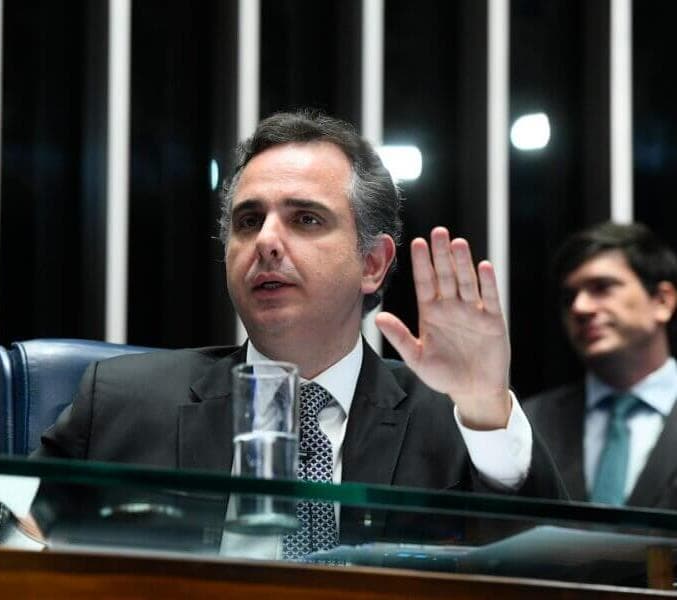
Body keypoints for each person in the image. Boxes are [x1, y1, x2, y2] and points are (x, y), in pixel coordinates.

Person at [34, 111, 563, 545]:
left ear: (372, 264)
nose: (266, 241)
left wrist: (485, 407)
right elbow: (8, 531)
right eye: (248, 221)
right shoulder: (122, 402)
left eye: (306, 219)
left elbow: (550, 566)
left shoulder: (455, 419)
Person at [524, 221, 677, 508]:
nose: (579, 307)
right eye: (569, 297)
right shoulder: (530, 422)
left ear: (662, 301)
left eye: (602, 288)